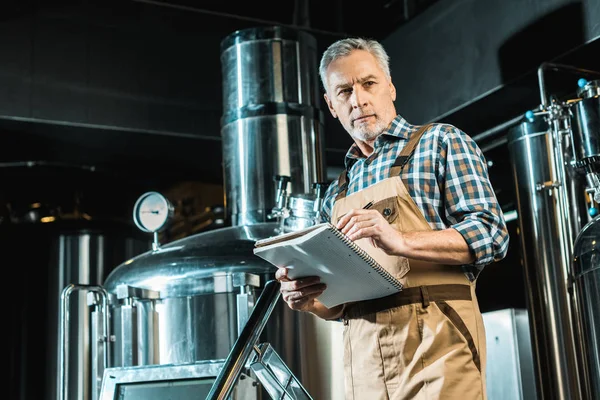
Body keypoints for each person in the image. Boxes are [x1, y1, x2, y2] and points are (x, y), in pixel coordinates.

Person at [275, 37, 509, 399]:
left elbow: (491, 234)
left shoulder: (440, 143)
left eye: (368, 83)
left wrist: (402, 241)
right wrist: (309, 300)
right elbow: (338, 305)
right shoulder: (335, 192)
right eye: (344, 91)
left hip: (437, 350)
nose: (359, 100)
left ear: (390, 86)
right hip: (364, 362)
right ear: (331, 106)